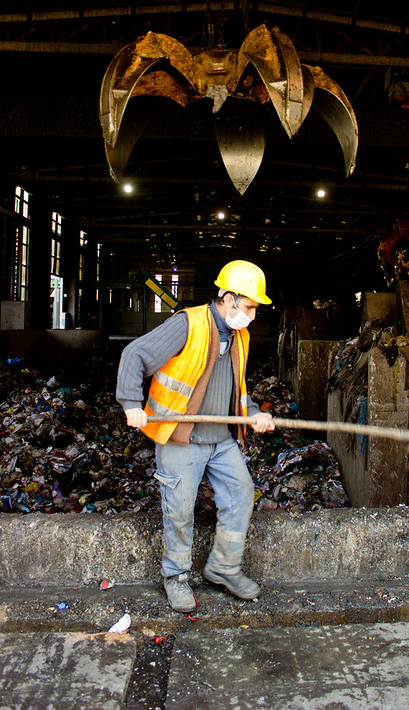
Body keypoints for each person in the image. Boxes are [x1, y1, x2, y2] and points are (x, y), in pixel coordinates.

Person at [116, 260, 275, 612]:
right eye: (249, 306)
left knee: (241, 493)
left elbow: (237, 389)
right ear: (229, 299)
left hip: (221, 440)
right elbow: (134, 354)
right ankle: (176, 577)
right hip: (179, 439)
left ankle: (223, 567)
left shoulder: (239, 336)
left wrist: (253, 414)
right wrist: (130, 403)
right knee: (179, 512)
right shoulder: (187, 323)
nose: (252, 314)